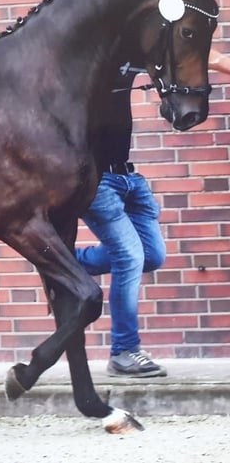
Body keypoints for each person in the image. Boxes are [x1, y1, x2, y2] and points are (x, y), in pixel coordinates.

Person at [76, 48, 230, 377]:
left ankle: (65, 264)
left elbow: (202, 55)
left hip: (130, 178)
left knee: (151, 255)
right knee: (129, 257)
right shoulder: (84, 61)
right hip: (98, 183)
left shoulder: (128, 56)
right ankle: (124, 352)